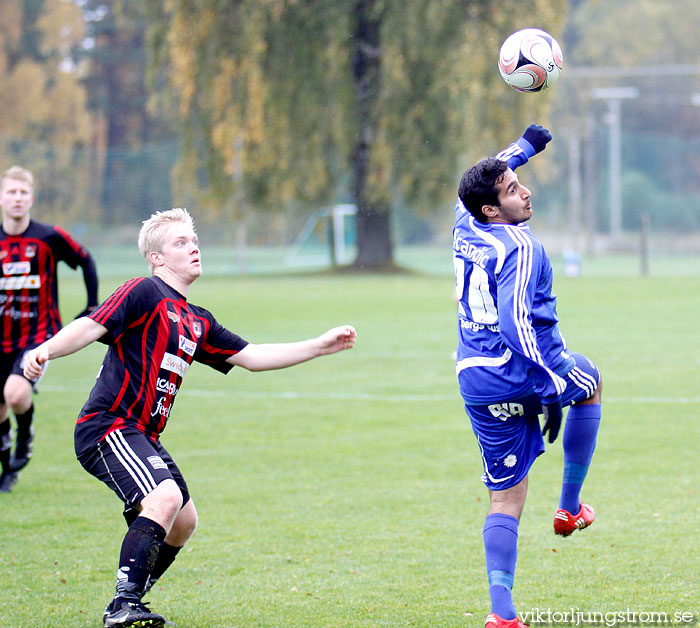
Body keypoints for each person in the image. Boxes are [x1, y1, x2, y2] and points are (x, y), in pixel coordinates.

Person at [23, 207, 357, 628]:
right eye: (180, 242)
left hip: (142, 433)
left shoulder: (196, 319)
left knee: (183, 521)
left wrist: (320, 346)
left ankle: (132, 598)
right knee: (163, 497)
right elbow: (90, 326)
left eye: (194, 240)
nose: (193, 247)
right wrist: (46, 350)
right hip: (107, 425)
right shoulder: (143, 292)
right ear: (157, 258)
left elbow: (252, 357)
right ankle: (122, 605)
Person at [453, 126, 602, 628]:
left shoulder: (464, 220)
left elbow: (484, 174)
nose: (525, 190)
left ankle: (503, 614)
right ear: (493, 210)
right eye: (513, 189)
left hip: (476, 381)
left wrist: (524, 148)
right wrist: (550, 387)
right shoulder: (520, 246)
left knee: (505, 498)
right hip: (526, 369)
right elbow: (518, 326)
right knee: (592, 382)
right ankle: (568, 507)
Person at [0, 165, 98, 493]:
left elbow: (85, 259)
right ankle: (7, 472)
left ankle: (24, 437)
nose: (17, 198)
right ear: (2, 197)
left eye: (23, 193)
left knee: (15, 394)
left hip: (37, 336)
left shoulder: (48, 237)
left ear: (31, 199)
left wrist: (92, 304)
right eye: (11, 192)